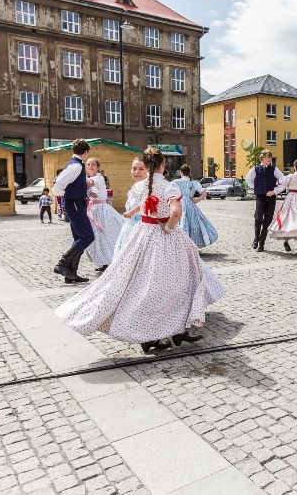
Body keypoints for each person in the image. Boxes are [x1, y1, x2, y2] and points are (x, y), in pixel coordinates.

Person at [55, 147, 226, 353]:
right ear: (163, 166)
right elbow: (176, 212)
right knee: (177, 281)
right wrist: (169, 228)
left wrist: (131, 213)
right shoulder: (169, 186)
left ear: (147, 166)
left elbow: (143, 206)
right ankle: (171, 330)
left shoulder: (139, 187)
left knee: (139, 282)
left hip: (143, 234)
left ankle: (165, 332)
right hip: (165, 238)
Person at [52, 139, 94, 283]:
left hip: (75, 202)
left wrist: (84, 186)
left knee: (79, 238)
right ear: (86, 152)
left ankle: (71, 273)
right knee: (87, 237)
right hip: (74, 203)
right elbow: (58, 184)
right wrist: (65, 195)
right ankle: (62, 264)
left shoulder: (76, 165)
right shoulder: (76, 166)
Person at [85, 158, 124, 272]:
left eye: (93, 165)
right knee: (98, 237)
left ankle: (109, 260)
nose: (91, 166)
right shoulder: (89, 179)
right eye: (88, 164)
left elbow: (88, 185)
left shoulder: (97, 178)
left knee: (105, 235)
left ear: (97, 167)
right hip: (94, 209)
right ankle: (104, 260)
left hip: (101, 210)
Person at [244, 150, 285, 252]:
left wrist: (275, 191)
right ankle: (256, 239)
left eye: (270, 157)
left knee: (267, 221)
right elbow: (248, 179)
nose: (269, 159)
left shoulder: (275, 170)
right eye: (267, 157)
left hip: (271, 198)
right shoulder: (255, 170)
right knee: (258, 219)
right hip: (260, 197)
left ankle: (261, 244)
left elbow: (283, 182)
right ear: (262, 158)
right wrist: (256, 188)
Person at [175, 164, 218, 248]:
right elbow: (204, 193)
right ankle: (191, 244)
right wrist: (195, 201)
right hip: (190, 205)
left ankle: (180, 244)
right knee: (194, 222)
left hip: (179, 204)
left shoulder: (176, 182)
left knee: (181, 222)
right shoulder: (193, 183)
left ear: (181, 172)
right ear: (189, 172)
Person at [114, 157, 147, 256]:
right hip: (130, 226)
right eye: (134, 168)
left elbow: (145, 203)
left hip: (141, 228)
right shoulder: (136, 186)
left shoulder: (148, 186)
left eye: (141, 169)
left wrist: (131, 212)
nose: (137, 172)